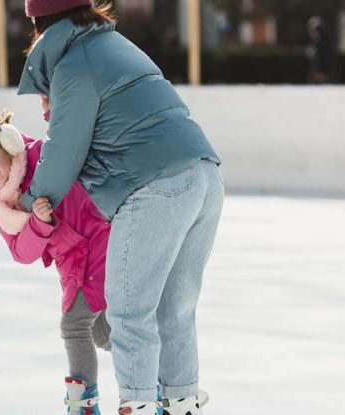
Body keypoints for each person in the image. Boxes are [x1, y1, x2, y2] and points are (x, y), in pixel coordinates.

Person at [17, 1, 223, 414]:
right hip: (204, 176)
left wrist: (25, 201)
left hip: (154, 186)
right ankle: (180, 401)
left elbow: (64, 151)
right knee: (175, 310)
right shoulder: (117, 45)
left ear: (39, 23)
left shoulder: (74, 64)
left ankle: (139, 405)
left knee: (129, 313)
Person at [0, 112, 112, 415]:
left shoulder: (40, 157)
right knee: (100, 332)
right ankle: (163, 377)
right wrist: (37, 223)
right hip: (72, 261)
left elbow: (74, 147)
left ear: (7, 144)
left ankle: (82, 407)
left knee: (74, 326)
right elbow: (22, 253)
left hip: (99, 241)